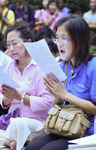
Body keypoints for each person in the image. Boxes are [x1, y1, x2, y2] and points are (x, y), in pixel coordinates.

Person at [25, 14, 96, 150]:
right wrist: (56, 95)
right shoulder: (61, 66)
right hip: (63, 127)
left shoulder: (94, 67)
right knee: (31, 148)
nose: (59, 43)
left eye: (64, 38)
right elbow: (56, 103)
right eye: (57, 38)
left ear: (79, 40)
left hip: (85, 133)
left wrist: (65, 94)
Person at [0, 21, 53, 150]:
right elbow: (3, 99)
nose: (11, 49)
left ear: (28, 43)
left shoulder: (40, 67)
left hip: (36, 123)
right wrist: (6, 99)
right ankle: (9, 141)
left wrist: (20, 96)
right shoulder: (9, 66)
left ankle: (9, 141)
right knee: (15, 123)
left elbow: (47, 102)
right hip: (12, 120)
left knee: (19, 124)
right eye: (8, 45)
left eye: (14, 43)